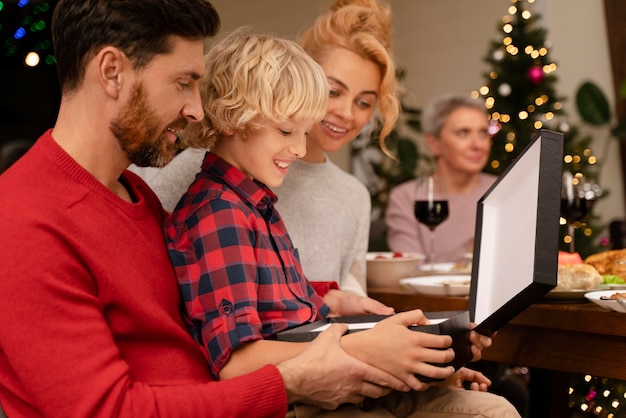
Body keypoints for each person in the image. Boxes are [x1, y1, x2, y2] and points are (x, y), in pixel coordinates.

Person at [0, 1, 418, 416]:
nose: (199, 110)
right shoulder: (24, 220)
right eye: (184, 82)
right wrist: (295, 382)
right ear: (111, 72)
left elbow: (209, 293)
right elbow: (106, 411)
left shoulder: (136, 194)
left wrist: (326, 299)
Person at [165, 29, 520, 418]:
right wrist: (370, 355)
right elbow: (237, 361)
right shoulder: (221, 215)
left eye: (303, 132)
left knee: (492, 407)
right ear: (232, 118)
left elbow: (287, 313)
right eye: (287, 131)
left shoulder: (256, 203)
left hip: (333, 375)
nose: (299, 149)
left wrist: (411, 359)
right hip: (304, 397)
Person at [270, 0, 399, 296]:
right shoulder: (216, 165)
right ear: (301, 75)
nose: (347, 113)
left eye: (364, 102)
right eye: (333, 91)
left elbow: (353, 303)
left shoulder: (353, 197)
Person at [385, 93, 498, 264]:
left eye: (483, 133)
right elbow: (410, 271)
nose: (478, 145)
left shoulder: (502, 190)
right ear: (434, 143)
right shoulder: (406, 198)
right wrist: (470, 250)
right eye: (463, 133)